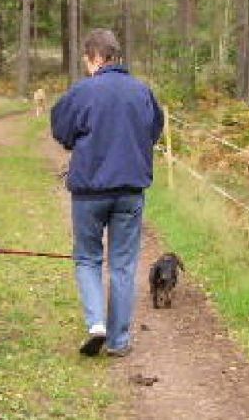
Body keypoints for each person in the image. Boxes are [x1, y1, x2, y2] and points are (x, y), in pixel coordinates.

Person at [50, 29, 165, 358]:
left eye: (87, 60)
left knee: (87, 257)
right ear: (116, 56)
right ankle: (118, 340)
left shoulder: (83, 92)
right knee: (123, 264)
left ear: (94, 58)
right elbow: (154, 130)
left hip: (89, 191)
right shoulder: (142, 91)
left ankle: (96, 322)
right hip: (130, 190)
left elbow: (61, 129)